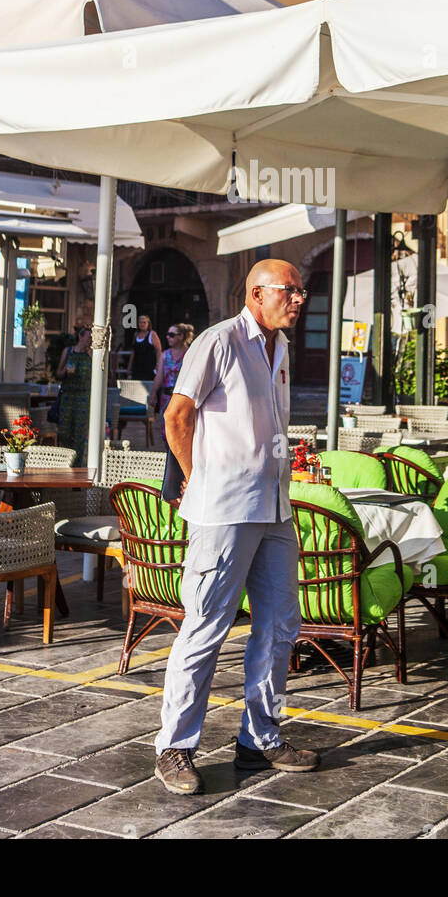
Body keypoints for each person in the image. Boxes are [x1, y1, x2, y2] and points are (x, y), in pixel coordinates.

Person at [153, 259, 320, 796]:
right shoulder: (218, 341)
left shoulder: (281, 347)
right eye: (288, 291)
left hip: (275, 509)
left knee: (279, 627)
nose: (298, 299)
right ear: (256, 294)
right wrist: (203, 478)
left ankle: (260, 737)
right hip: (223, 510)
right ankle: (175, 748)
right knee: (206, 627)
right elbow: (176, 416)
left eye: (299, 291)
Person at [149, 323, 194, 446]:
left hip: (183, 397)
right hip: (167, 397)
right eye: (168, 335)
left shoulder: (190, 354)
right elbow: (159, 376)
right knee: (166, 430)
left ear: (181, 336)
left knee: (182, 429)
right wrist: (153, 393)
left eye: (171, 335)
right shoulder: (165, 355)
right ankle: (169, 456)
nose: (168, 337)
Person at [55, 325, 92, 467]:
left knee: (80, 433)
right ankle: (64, 463)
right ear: (80, 337)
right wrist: (65, 371)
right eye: (88, 337)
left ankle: (77, 465)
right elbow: (58, 374)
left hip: (84, 397)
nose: (90, 340)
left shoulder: (91, 354)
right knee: (64, 431)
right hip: (68, 396)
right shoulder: (68, 351)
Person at [126, 314, 162, 382]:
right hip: (137, 367)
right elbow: (133, 352)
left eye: (144, 322)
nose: (142, 324)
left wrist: (158, 365)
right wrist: (129, 366)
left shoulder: (152, 334)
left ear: (148, 324)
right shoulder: (136, 334)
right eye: (140, 322)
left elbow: (158, 350)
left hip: (149, 367)